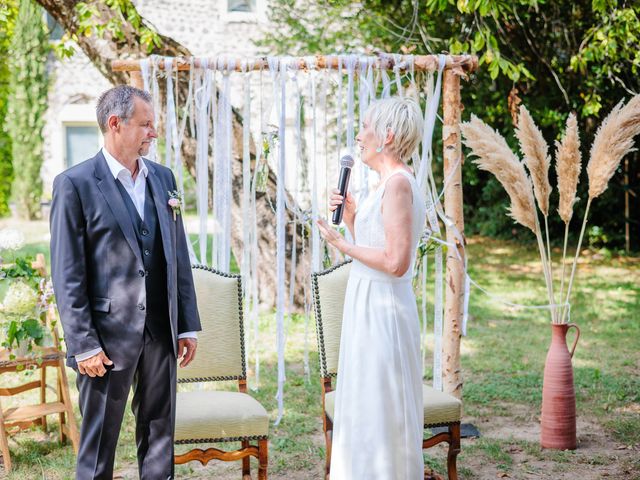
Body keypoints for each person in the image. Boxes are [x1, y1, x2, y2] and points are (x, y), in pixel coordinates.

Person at [50, 85, 201, 480]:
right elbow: (67, 273)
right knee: (99, 445)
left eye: (154, 125)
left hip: (160, 333)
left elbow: (177, 257)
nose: (153, 133)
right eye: (146, 124)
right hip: (104, 339)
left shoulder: (164, 179)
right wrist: (83, 345)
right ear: (115, 124)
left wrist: (185, 323)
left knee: (159, 434)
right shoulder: (75, 184)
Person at [317, 96, 427, 479]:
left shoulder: (398, 185)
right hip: (366, 306)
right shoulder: (385, 185)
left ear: (387, 136)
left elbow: (396, 262)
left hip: (384, 310)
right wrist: (350, 219)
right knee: (365, 405)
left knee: (382, 409)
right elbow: (378, 245)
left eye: (365, 127)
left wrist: (342, 244)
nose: (359, 136)